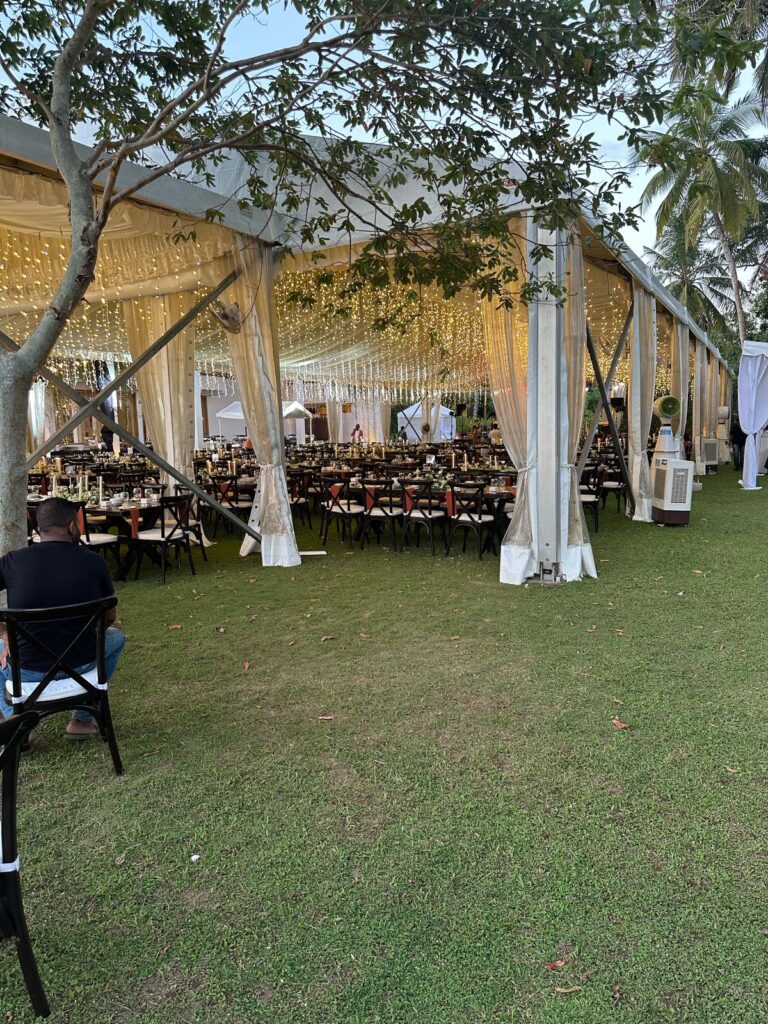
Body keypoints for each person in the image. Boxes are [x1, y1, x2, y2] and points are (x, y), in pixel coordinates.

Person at [0, 498, 126, 739]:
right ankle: (82, 720)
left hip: (26, 671)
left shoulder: (12, 562)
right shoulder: (94, 561)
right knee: (116, 638)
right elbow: (109, 616)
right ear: (72, 526)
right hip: (82, 665)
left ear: (39, 528)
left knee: (1, 652)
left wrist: (5, 635)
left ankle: (18, 726)